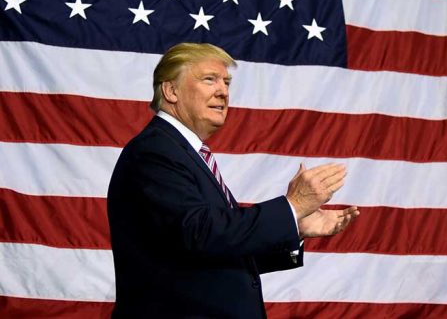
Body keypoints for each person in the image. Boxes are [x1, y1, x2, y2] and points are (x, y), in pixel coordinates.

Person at [107, 42, 359, 318]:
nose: (223, 91)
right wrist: (292, 205)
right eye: (209, 79)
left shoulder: (183, 151)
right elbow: (201, 234)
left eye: (226, 82)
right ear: (171, 91)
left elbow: (218, 252)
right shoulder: (155, 151)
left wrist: (294, 225)